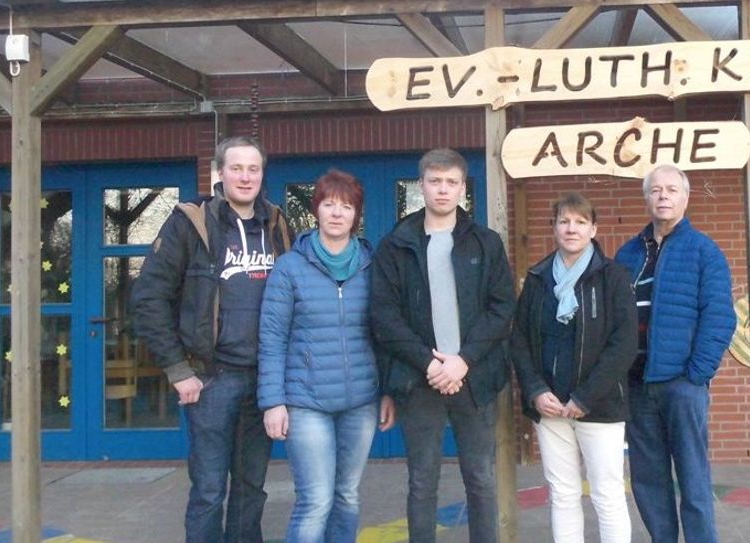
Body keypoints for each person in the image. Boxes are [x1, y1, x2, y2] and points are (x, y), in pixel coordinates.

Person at [130, 135, 292, 543]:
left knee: (251, 487)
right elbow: (149, 298)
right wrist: (177, 369)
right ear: (219, 173)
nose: (245, 176)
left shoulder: (276, 223)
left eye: (253, 169)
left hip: (263, 380)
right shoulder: (190, 222)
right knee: (208, 489)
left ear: (262, 174)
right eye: (236, 168)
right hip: (210, 379)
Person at [370, 148, 516, 543]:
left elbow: (502, 309)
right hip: (420, 381)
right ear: (422, 186)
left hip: (475, 378)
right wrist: (429, 365)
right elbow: (385, 317)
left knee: (481, 479)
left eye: (452, 182)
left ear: (463, 188)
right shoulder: (396, 244)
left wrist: (463, 361)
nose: (443, 190)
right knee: (422, 481)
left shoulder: (485, 243)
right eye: (435, 182)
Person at [257, 169, 396, 543]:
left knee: (347, 495)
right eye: (329, 204)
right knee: (315, 500)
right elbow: (272, 337)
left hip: (361, 402)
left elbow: (385, 334)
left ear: (356, 214)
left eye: (346, 206)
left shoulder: (372, 264)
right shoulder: (290, 266)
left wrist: (388, 390)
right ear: (316, 209)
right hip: (306, 403)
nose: (337, 213)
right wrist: (273, 402)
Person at [614, 164, 736, 543]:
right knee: (648, 480)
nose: (663, 196)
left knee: (693, 477)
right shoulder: (628, 253)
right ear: (646, 198)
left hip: (681, 384)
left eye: (671, 189)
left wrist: (695, 375)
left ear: (686, 197)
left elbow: (719, 317)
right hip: (637, 383)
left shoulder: (704, 251)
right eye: (655, 190)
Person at [510, 192, 637, 543]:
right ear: (553, 227)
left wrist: (585, 396)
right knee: (563, 494)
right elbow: (518, 339)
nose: (571, 228)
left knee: (607, 495)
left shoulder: (613, 277)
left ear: (593, 228)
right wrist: (535, 391)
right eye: (564, 221)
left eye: (580, 222)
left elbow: (624, 344)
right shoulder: (538, 278)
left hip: (599, 406)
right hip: (550, 407)